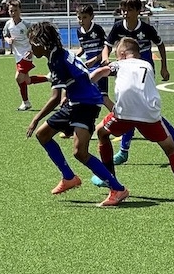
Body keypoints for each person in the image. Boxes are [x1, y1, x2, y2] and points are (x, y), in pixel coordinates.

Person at [24, 22, 129, 207]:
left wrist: (35, 118)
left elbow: (55, 98)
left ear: (42, 43)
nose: (31, 47)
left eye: (32, 43)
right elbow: (67, 78)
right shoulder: (57, 54)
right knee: (43, 135)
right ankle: (68, 177)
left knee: (80, 152)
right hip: (75, 102)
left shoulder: (57, 59)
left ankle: (118, 189)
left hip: (86, 103)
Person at [89, 38, 174, 200]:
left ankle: (108, 178)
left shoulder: (119, 64)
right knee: (171, 149)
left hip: (124, 112)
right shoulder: (147, 64)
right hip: (149, 114)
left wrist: (85, 83)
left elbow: (100, 72)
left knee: (101, 132)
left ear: (122, 54)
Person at [102, 0, 174, 165]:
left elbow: (160, 44)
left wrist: (164, 66)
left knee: (133, 109)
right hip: (126, 73)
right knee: (137, 110)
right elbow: (107, 45)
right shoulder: (118, 27)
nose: (125, 13)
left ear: (138, 11)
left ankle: (124, 151)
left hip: (144, 74)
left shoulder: (146, 29)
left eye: (129, 10)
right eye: (123, 10)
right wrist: (106, 58)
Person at [2, 0, 49, 110]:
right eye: (11, 11)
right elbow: (5, 34)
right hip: (17, 55)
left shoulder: (26, 25)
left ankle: (26, 102)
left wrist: (32, 51)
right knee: (26, 80)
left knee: (18, 78)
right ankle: (48, 78)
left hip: (27, 54)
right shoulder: (8, 24)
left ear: (20, 10)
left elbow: (35, 38)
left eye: (15, 10)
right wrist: (8, 40)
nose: (13, 13)